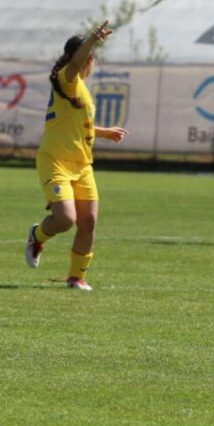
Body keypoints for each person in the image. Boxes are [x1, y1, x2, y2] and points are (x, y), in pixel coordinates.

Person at [23, 21, 127, 291]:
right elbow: (76, 61)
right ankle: (37, 235)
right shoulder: (67, 80)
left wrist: (103, 133)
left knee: (89, 221)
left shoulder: (80, 89)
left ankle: (76, 277)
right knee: (65, 220)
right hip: (55, 160)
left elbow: (76, 124)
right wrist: (92, 41)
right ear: (87, 58)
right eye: (89, 57)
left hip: (82, 165)